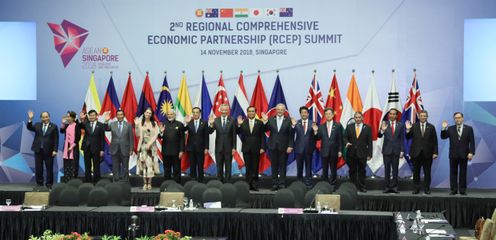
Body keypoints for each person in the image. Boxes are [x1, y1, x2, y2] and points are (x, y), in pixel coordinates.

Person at [441, 112, 475, 195]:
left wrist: (471, 152)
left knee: (463, 173)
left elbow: (472, 142)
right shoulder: (450, 128)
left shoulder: (469, 128)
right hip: (453, 154)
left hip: (464, 154)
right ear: (454, 119)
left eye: (459, 117)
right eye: (456, 118)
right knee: (453, 173)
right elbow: (443, 137)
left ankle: (462, 190)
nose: (457, 119)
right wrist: (443, 128)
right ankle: (454, 190)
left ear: (462, 118)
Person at [262, 103, 294, 190]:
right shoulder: (271, 119)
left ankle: (282, 184)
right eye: (278, 109)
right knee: (274, 166)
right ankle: (274, 184)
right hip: (273, 147)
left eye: (282, 110)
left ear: (284, 111)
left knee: (283, 166)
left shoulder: (288, 120)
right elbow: (265, 130)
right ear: (276, 110)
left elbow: (291, 134)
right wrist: (265, 122)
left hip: (284, 147)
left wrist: (290, 146)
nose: (280, 111)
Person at [405, 110, 438, 194]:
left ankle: (427, 189)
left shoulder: (431, 127)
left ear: (427, 117)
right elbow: (408, 137)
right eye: (421, 116)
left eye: (424, 116)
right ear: (419, 117)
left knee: (427, 173)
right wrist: (408, 130)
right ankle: (416, 188)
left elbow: (435, 141)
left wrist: (435, 152)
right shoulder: (414, 126)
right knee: (416, 172)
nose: (423, 117)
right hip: (416, 154)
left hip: (428, 154)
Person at [26, 110, 59, 188]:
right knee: (38, 168)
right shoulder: (37, 125)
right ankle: (39, 184)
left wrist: (55, 150)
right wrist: (30, 119)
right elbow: (29, 127)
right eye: (43, 117)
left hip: (49, 151)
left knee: (49, 168)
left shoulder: (54, 126)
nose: (45, 118)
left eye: (46, 117)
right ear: (41, 118)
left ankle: (49, 184)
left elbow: (56, 139)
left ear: (49, 117)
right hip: (38, 150)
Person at [236, 106, 266, 191]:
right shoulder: (243, 122)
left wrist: (263, 147)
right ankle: (248, 185)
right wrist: (239, 124)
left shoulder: (259, 123)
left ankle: (255, 185)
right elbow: (238, 132)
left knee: (255, 167)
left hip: (257, 149)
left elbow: (262, 136)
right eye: (249, 111)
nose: (251, 113)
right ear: (247, 112)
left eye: (253, 111)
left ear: (255, 112)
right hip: (246, 149)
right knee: (248, 167)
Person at [312, 107, 343, 186]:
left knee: (333, 169)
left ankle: (333, 185)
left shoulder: (338, 125)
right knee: (324, 169)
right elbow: (317, 138)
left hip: (334, 151)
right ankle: (324, 185)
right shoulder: (321, 126)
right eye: (326, 114)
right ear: (324, 115)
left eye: (329, 114)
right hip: (324, 151)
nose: (328, 115)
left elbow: (340, 139)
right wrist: (315, 131)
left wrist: (340, 150)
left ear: (333, 115)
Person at [344, 111, 372, 192]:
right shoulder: (349, 127)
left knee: (362, 171)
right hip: (351, 153)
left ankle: (362, 187)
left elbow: (370, 142)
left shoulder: (367, 128)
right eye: (356, 117)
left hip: (362, 153)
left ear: (362, 118)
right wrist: (346, 142)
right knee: (352, 171)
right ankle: (352, 188)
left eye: (359, 117)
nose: (358, 119)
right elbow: (344, 138)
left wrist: (369, 154)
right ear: (354, 118)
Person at [378, 108, 405, 193]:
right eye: (391, 114)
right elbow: (379, 135)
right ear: (389, 115)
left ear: (396, 116)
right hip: (387, 151)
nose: (392, 115)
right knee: (387, 170)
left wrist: (402, 150)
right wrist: (382, 130)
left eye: (394, 114)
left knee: (395, 170)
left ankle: (394, 187)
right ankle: (387, 187)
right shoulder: (384, 124)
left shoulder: (400, 125)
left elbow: (402, 139)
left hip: (396, 151)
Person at [103, 109, 134, 182]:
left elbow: (131, 138)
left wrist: (131, 149)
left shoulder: (128, 125)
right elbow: (106, 129)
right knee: (115, 167)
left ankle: (125, 181)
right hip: (114, 149)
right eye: (118, 115)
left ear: (124, 115)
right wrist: (106, 121)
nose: (120, 116)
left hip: (125, 149)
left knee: (125, 167)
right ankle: (116, 181)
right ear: (116, 116)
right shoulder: (112, 124)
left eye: (121, 115)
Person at [208, 104, 237, 182]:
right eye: (223, 110)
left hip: (229, 148)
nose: (224, 111)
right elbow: (210, 132)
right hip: (219, 148)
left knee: (228, 167)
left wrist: (234, 147)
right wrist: (211, 124)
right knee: (219, 167)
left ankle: (227, 182)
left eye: (225, 110)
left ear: (228, 110)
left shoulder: (232, 120)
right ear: (220, 110)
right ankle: (219, 182)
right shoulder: (216, 120)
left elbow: (234, 135)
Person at [135, 107, 160, 190]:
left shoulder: (154, 123)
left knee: (150, 165)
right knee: (143, 165)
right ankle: (144, 183)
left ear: (151, 114)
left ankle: (149, 183)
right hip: (143, 147)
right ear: (144, 113)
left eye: (150, 113)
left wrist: (149, 144)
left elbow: (156, 134)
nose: (148, 114)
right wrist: (136, 125)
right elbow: (138, 135)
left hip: (152, 147)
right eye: (147, 112)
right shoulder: (140, 123)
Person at [292, 106, 316, 187]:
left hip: (309, 149)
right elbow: (291, 133)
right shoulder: (296, 123)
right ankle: (299, 183)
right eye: (302, 112)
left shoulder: (312, 123)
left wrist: (316, 131)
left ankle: (308, 183)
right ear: (300, 114)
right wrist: (293, 126)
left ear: (308, 114)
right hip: (299, 149)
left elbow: (316, 137)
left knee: (308, 167)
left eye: (305, 112)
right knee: (299, 167)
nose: (304, 114)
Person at [184, 107, 209, 183]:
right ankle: (193, 180)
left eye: (197, 112)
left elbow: (206, 136)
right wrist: (187, 123)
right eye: (194, 112)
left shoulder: (204, 122)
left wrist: (206, 148)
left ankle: (201, 181)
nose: (195, 114)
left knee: (200, 165)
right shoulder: (190, 122)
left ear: (200, 113)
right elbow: (183, 130)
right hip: (191, 148)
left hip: (201, 148)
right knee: (192, 165)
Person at [79, 109, 105, 183]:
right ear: (88, 116)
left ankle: (96, 181)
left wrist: (102, 150)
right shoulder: (85, 124)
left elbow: (102, 139)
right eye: (90, 115)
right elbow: (79, 125)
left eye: (93, 115)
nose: (91, 117)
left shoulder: (101, 125)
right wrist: (81, 119)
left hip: (96, 149)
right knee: (87, 166)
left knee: (96, 166)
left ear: (96, 116)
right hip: (86, 148)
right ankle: (88, 181)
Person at [159, 109, 185, 183]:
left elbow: (182, 139)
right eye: (168, 114)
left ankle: (177, 185)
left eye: (171, 114)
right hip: (166, 151)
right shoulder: (163, 124)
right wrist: (161, 132)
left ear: (174, 115)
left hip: (176, 152)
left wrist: (181, 150)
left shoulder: (180, 124)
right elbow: (160, 137)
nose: (170, 116)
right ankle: (167, 185)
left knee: (176, 169)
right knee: (167, 170)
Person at [60, 111, 81, 183]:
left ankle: (73, 181)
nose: (67, 118)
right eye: (67, 116)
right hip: (66, 147)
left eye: (69, 117)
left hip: (74, 147)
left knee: (74, 164)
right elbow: (61, 131)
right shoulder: (66, 125)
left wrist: (71, 147)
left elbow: (78, 138)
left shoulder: (77, 126)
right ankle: (67, 180)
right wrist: (63, 123)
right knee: (66, 163)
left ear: (73, 118)